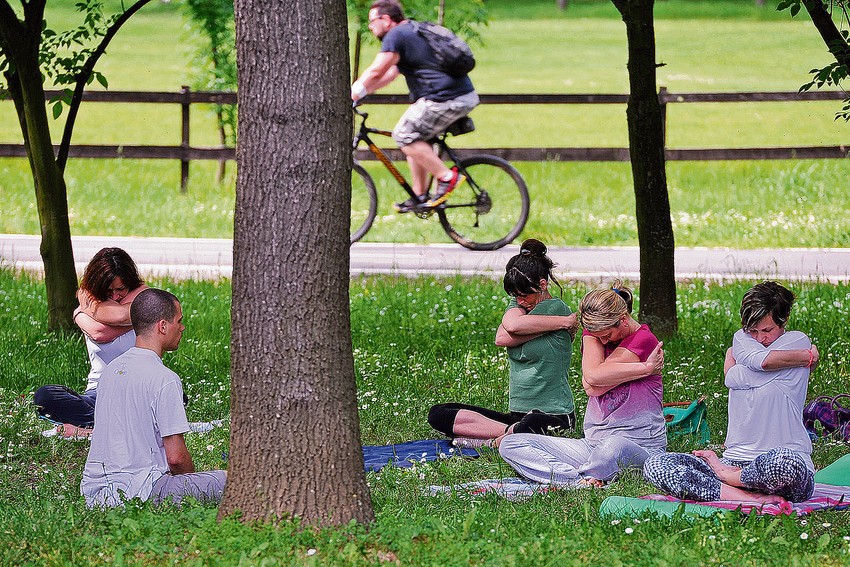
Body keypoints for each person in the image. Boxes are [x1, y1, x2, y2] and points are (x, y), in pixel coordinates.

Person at [644, 281, 816, 504]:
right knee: (656, 464)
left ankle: (730, 482)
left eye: (767, 330)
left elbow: (756, 365)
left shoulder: (797, 341)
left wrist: (736, 368)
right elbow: (741, 372)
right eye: (752, 330)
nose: (759, 338)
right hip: (735, 460)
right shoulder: (742, 338)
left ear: (783, 321)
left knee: (785, 463)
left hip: (780, 464)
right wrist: (805, 358)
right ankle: (749, 496)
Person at [499, 281, 666, 486]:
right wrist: (646, 369)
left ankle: (589, 474)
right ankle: (577, 479)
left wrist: (603, 375)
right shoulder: (595, 331)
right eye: (598, 337)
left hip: (637, 447)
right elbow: (591, 382)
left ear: (623, 320)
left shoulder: (644, 340)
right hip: (592, 446)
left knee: (613, 447)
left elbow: (594, 379)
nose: (603, 342)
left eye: (607, 335)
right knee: (511, 443)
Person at [81, 288, 226, 507]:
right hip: (141, 491)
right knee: (232, 481)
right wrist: (190, 483)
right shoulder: (164, 379)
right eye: (179, 320)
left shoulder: (110, 371)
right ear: (163, 326)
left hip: (94, 494)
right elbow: (176, 459)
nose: (183, 327)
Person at [428, 239, 579, 447]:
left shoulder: (556, 308)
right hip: (517, 417)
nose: (519, 301)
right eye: (515, 296)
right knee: (439, 413)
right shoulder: (524, 305)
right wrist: (564, 323)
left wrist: (560, 319)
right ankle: (508, 434)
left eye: (524, 295)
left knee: (533, 422)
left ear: (542, 285)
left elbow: (510, 329)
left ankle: (489, 441)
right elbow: (502, 336)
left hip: (554, 416)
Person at [351, 0, 479, 212]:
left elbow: (377, 71)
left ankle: (447, 177)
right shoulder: (412, 31)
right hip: (459, 95)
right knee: (415, 139)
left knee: (403, 134)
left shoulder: (396, 36)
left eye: (372, 22)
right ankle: (419, 197)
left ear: (386, 19)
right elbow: (389, 75)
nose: (370, 27)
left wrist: (353, 92)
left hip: (445, 98)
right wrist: (363, 93)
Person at [34, 247, 147, 435]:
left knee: (173, 395)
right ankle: (113, 425)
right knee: (45, 396)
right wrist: (137, 317)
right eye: (108, 291)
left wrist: (81, 312)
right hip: (98, 393)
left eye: (121, 289)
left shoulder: (145, 297)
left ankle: (90, 429)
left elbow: (110, 324)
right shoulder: (88, 297)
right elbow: (99, 333)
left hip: (137, 392)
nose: (115, 296)